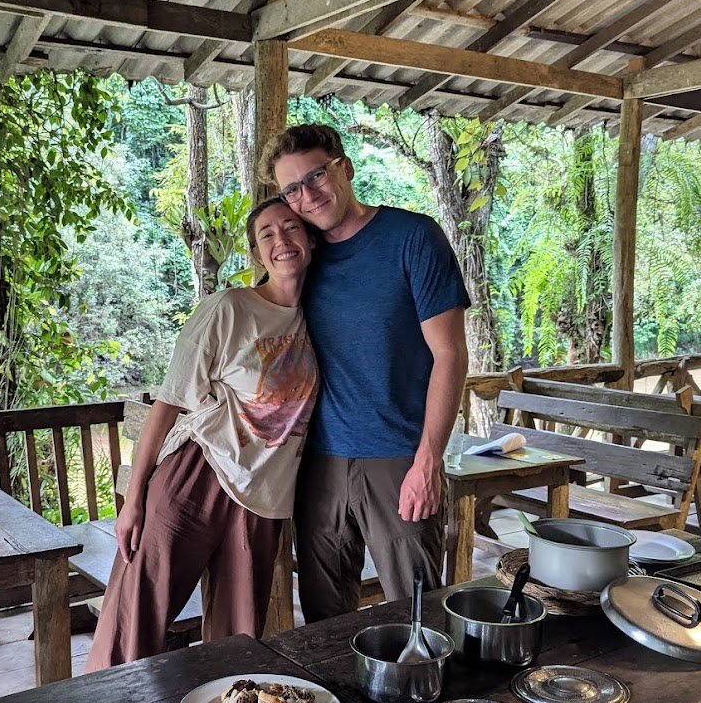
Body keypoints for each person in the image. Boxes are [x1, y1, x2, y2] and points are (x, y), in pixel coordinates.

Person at [85, 198, 318, 669]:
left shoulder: (323, 317)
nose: (281, 241)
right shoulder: (230, 308)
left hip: (263, 496)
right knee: (136, 615)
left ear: (311, 238)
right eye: (267, 235)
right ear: (256, 253)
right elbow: (167, 406)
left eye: (290, 228)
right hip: (197, 473)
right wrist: (133, 502)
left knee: (240, 636)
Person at [261, 123, 469, 622]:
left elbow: (452, 355)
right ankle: (339, 702)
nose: (307, 196)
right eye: (292, 189)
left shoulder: (412, 237)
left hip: (398, 457)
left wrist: (427, 463)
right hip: (318, 463)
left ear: (345, 168)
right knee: (324, 617)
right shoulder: (299, 258)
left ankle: (425, 699)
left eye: (316, 177)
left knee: (416, 613)